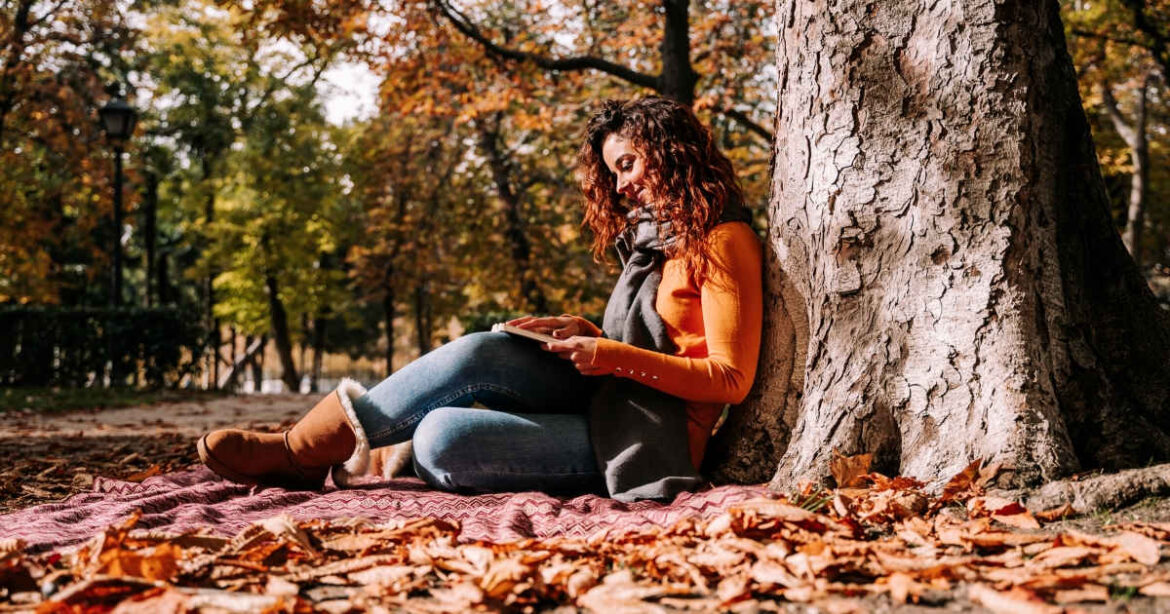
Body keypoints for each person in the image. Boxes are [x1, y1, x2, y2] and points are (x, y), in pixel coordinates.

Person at [197, 96, 763, 499]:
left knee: (441, 436)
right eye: (614, 172)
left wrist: (611, 356)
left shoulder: (723, 241)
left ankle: (361, 454)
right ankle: (300, 451)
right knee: (480, 352)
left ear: (672, 152)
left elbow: (729, 379)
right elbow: (658, 334)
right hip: (618, 396)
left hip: (656, 434)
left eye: (628, 165)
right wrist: (586, 333)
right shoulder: (659, 243)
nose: (621, 187)